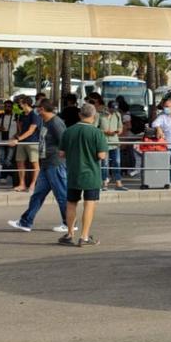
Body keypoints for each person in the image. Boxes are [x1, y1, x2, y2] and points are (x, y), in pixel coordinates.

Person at [7, 99, 70, 233]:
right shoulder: (45, 122)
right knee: (38, 195)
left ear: (42, 109)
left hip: (55, 164)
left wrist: (62, 159)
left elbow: (65, 142)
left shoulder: (56, 122)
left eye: (38, 108)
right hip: (46, 164)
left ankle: (69, 223)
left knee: (61, 195)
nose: (36, 111)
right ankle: (26, 222)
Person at [58, 102, 107, 247]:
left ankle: (69, 234)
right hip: (91, 174)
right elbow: (102, 155)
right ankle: (84, 236)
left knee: (71, 204)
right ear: (94, 115)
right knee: (89, 204)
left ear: (80, 115)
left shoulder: (69, 131)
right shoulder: (97, 133)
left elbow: (61, 153)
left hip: (73, 172)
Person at [8, 96, 42, 192]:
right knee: (20, 162)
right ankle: (22, 184)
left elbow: (31, 131)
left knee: (35, 163)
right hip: (22, 142)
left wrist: (17, 139)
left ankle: (33, 184)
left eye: (20, 103)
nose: (19, 105)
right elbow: (21, 130)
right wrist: (15, 137)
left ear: (25, 103)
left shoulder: (35, 114)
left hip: (32, 142)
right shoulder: (22, 114)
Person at [97, 101, 125, 191]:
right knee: (104, 163)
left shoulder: (117, 115)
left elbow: (120, 127)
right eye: (112, 109)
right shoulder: (100, 115)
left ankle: (118, 183)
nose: (114, 111)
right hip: (103, 142)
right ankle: (104, 183)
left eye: (115, 109)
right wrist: (105, 132)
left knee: (117, 162)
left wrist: (118, 131)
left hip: (114, 142)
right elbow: (94, 128)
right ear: (108, 107)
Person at [0, 99, 18, 185]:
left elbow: (21, 128)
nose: (7, 108)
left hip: (11, 141)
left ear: (12, 107)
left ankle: (3, 176)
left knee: (8, 159)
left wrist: (17, 136)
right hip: (1, 140)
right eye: (6, 106)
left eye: (9, 106)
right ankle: (12, 171)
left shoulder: (16, 117)